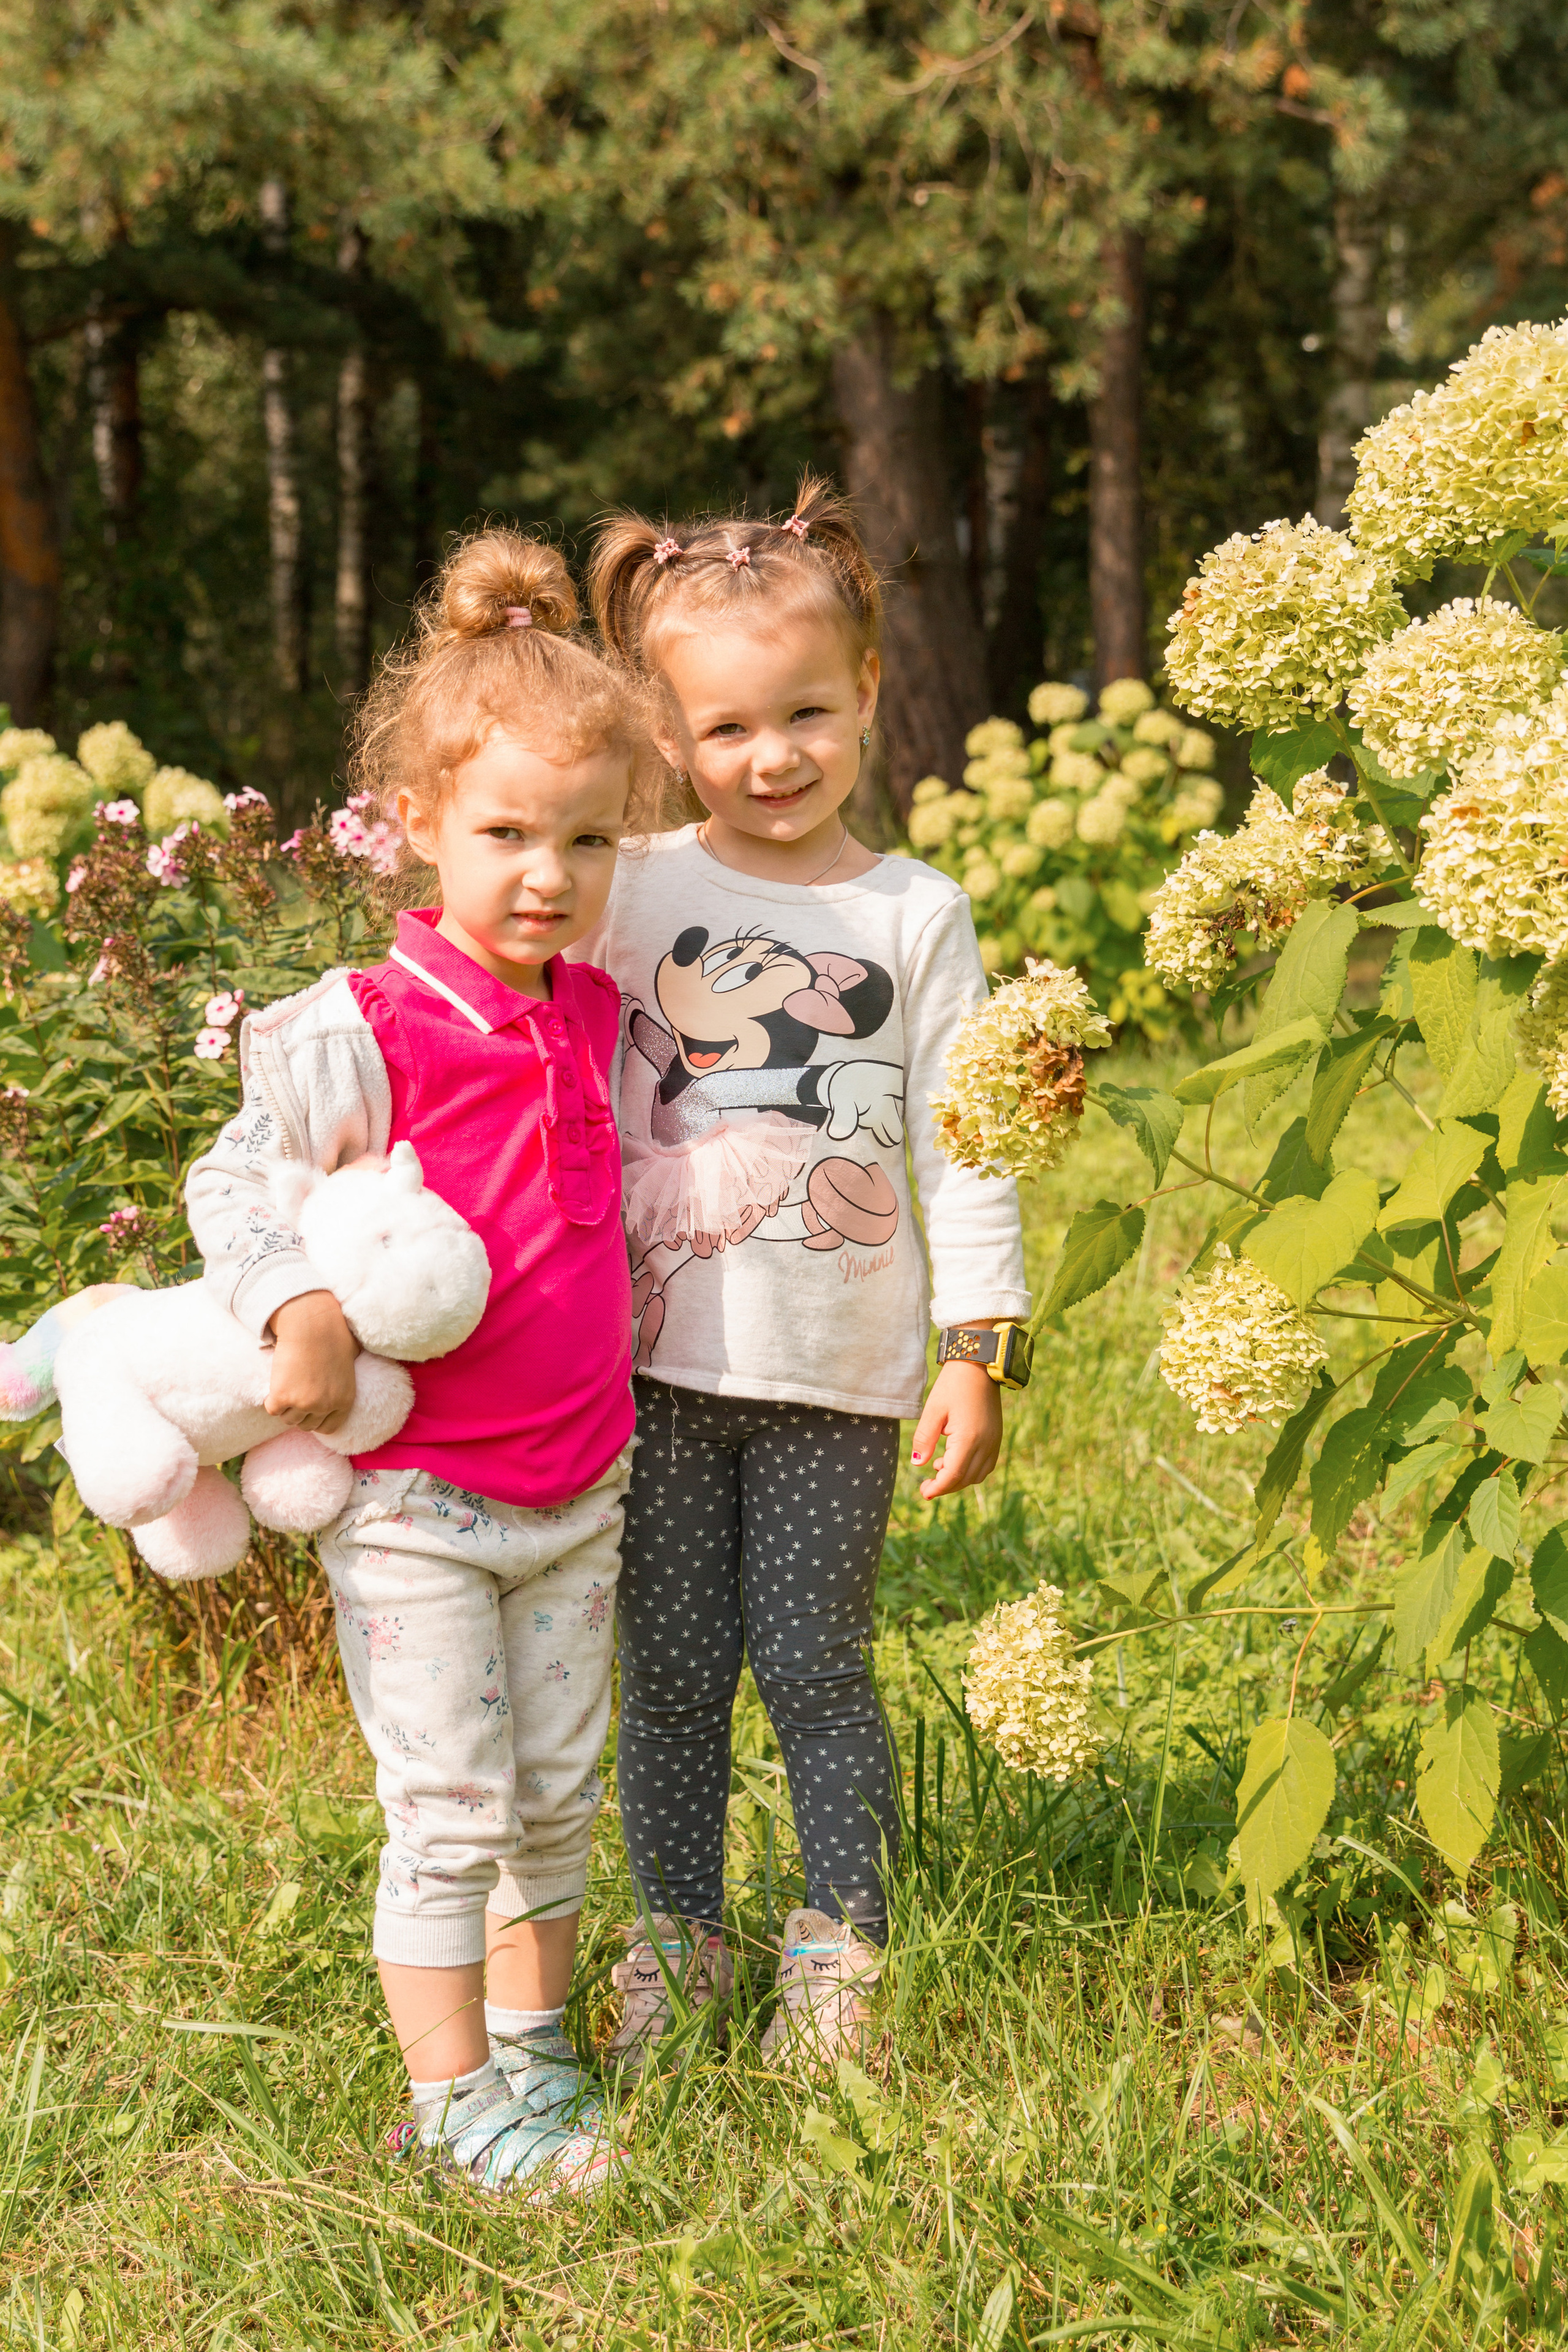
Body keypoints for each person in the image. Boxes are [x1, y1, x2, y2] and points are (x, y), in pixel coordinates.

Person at [184, 530, 665, 2196]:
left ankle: (540, 2060)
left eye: (587, 840)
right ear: (417, 828)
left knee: (552, 1799)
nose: (549, 873)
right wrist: (290, 1307)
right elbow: (235, 1180)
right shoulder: (364, 1024)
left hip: (574, 1487)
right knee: (453, 1807)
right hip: (422, 1506)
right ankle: (453, 2098)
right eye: (508, 834)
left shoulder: (592, 1012)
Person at [579, 477, 1031, 2073]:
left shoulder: (915, 916)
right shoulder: (629, 886)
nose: (771, 758)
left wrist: (981, 1347)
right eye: (726, 730)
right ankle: (680, 1943)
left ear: (872, 699)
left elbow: (971, 1139)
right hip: (649, 1368)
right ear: (667, 731)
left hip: (839, 1376)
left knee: (820, 1668)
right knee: (677, 1679)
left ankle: (839, 1954)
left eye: (808, 716)